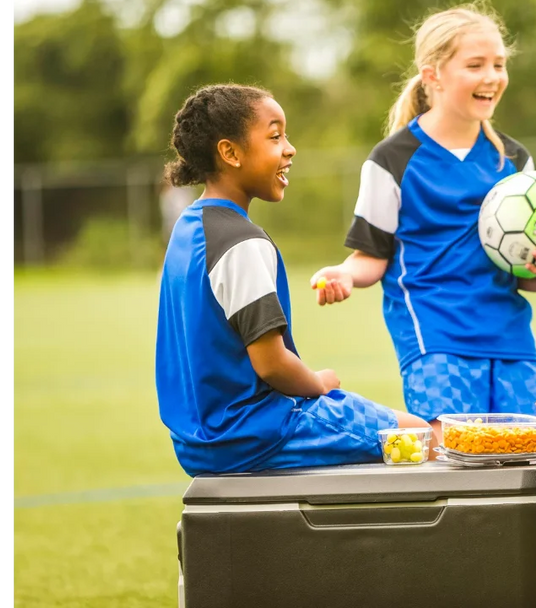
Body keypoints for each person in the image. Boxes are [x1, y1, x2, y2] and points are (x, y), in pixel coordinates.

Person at [309, 1, 536, 452]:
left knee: (527, 446)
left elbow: (522, 271)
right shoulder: (393, 159)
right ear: (433, 75)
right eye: (475, 64)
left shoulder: (515, 162)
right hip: (433, 333)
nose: (492, 76)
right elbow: (371, 256)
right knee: (457, 450)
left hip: (508, 332)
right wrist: (344, 274)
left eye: (499, 64)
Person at [154, 83, 432, 477]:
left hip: (197, 439)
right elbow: (271, 364)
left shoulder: (188, 226)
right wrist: (319, 383)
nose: (290, 148)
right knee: (421, 437)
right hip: (253, 434)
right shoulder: (241, 243)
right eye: (275, 136)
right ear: (230, 152)